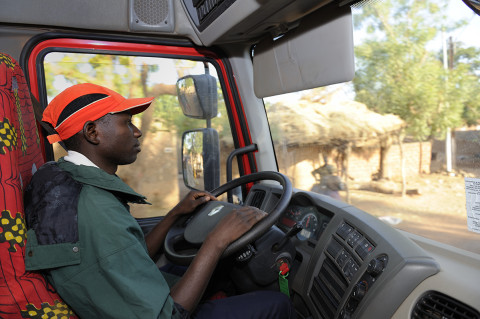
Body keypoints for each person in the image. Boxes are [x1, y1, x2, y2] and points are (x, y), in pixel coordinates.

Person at [23, 83, 296, 319]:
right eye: (127, 122)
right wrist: (217, 241)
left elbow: (128, 254)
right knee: (277, 303)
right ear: (93, 132)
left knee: (218, 271)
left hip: (131, 297)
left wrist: (175, 214)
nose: (137, 131)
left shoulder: (65, 179)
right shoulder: (95, 208)